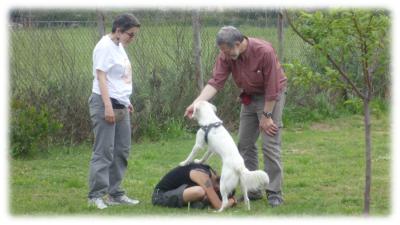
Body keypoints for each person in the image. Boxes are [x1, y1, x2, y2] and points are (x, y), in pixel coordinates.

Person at [184, 26, 287, 207]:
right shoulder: (226, 55)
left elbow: (273, 88)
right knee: (244, 144)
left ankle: (274, 192)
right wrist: (195, 104)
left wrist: (267, 116)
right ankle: (253, 190)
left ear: (238, 44)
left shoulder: (264, 52)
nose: (225, 54)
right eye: (222, 51)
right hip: (249, 96)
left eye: (227, 50)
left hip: (271, 97)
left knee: (270, 144)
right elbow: (215, 82)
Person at [87, 13, 141, 209]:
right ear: (118, 30)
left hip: (121, 104)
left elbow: (118, 77)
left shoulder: (119, 46)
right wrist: (108, 106)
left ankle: (115, 193)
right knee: (104, 151)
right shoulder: (104, 46)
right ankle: (96, 195)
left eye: (134, 35)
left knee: (122, 150)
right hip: (104, 104)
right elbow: (101, 77)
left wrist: (126, 101)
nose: (132, 39)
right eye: (130, 34)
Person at [152, 163, 236, 209]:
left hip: (178, 191)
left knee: (203, 193)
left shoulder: (209, 172)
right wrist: (231, 201)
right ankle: (199, 203)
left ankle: (198, 203)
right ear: (218, 187)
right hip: (160, 196)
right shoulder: (204, 176)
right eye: (217, 192)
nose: (215, 192)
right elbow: (218, 206)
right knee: (199, 191)